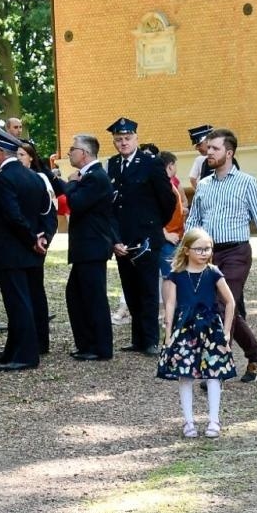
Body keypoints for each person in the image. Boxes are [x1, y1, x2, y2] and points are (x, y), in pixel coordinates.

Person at [186, 128, 257, 383]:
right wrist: (184, 254)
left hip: (236, 253)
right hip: (208, 256)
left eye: (215, 149)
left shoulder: (247, 183)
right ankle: (255, 357)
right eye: (208, 148)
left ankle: (215, 369)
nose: (209, 152)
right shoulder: (204, 185)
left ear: (229, 153)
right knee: (223, 309)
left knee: (221, 307)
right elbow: (194, 221)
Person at [106, 117, 177, 356]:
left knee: (147, 289)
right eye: (118, 140)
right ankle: (137, 338)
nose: (123, 143)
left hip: (146, 237)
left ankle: (150, 340)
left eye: (127, 138)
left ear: (136, 138)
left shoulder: (151, 163)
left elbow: (167, 200)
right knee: (130, 289)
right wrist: (115, 238)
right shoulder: (113, 164)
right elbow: (114, 204)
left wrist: (155, 226)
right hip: (123, 237)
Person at [158, 228, 238, 438]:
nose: (204, 253)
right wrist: (168, 334)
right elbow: (170, 304)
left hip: (211, 329)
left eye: (208, 248)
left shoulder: (213, 273)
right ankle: (188, 421)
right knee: (185, 375)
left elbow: (230, 301)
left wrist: (227, 331)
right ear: (186, 250)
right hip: (184, 329)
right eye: (199, 249)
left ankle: (214, 420)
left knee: (214, 375)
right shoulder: (176, 275)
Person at [0, 129, 56, 370]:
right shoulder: (34, 177)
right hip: (32, 250)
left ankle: (26, 354)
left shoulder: (3, 178)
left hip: (12, 250)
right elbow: (48, 212)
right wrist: (43, 238)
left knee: (18, 303)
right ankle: (15, 349)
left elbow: (13, 216)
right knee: (28, 299)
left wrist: (30, 238)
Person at [64, 133, 117, 361]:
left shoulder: (95, 177)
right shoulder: (89, 176)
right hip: (85, 248)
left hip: (92, 247)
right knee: (75, 295)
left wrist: (68, 184)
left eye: (72, 149)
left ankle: (101, 348)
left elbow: (76, 203)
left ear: (84, 153)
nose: (69, 153)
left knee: (93, 297)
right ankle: (87, 343)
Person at [15, 141, 58, 356]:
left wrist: (45, 238)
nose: (19, 158)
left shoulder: (40, 179)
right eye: (16, 154)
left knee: (35, 292)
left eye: (22, 154)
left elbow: (49, 213)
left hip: (35, 243)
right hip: (19, 243)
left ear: (31, 157)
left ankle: (41, 340)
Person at [157, 150, 188, 278]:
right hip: (168, 240)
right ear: (170, 165)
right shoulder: (163, 186)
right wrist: (166, 234)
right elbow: (154, 213)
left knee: (176, 277)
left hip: (176, 237)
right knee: (170, 279)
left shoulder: (169, 183)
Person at [184, 124, 214, 193]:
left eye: (199, 144)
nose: (197, 148)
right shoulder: (202, 160)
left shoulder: (225, 158)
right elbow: (192, 179)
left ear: (209, 141)